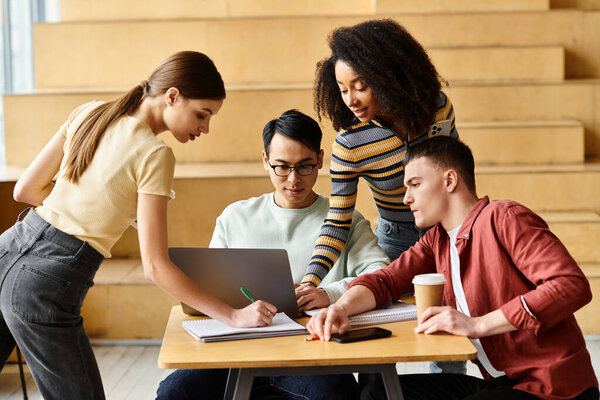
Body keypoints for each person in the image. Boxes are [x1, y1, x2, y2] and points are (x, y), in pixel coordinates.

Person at [0, 51, 277, 400]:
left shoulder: (89, 112)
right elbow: (156, 268)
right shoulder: (155, 154)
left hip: (10, 246)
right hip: (46, 283)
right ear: (172, 96)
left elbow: (26, 190)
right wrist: (234, 317)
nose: (205, 127)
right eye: (202, 114)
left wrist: (90, 211)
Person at [307, 136, 599, 400]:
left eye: (415, 184)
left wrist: (477, 324)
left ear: (449, 181)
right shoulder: (437, 239)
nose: (406, 198)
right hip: (500, 383)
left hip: (553, 388)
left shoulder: (505, 217)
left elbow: (571, 285)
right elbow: (387, 280)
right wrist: (340, 309)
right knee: (378, 393)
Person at [156, 109, 388, 400]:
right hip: (236, 352)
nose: (294, 179)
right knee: (174, 391)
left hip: (311, 354)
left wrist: (329, 293)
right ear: (265, 161)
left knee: (336, 393)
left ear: (320, 159)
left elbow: (381, 273)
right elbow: (206, 289)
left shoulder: (345, 219)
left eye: (305, 166)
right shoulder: (235, 217)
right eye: (282, 167)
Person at [302, 18, 463, 375]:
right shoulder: (351, 143)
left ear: (389, 77)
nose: (351, 100)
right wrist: (310, 281)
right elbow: (338, 220)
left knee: (449, 335)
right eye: (342, 89)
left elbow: (456, 176)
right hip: (397, 239)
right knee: (374, 335)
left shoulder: (438, 109)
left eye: (359, 86)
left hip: (446, 234)